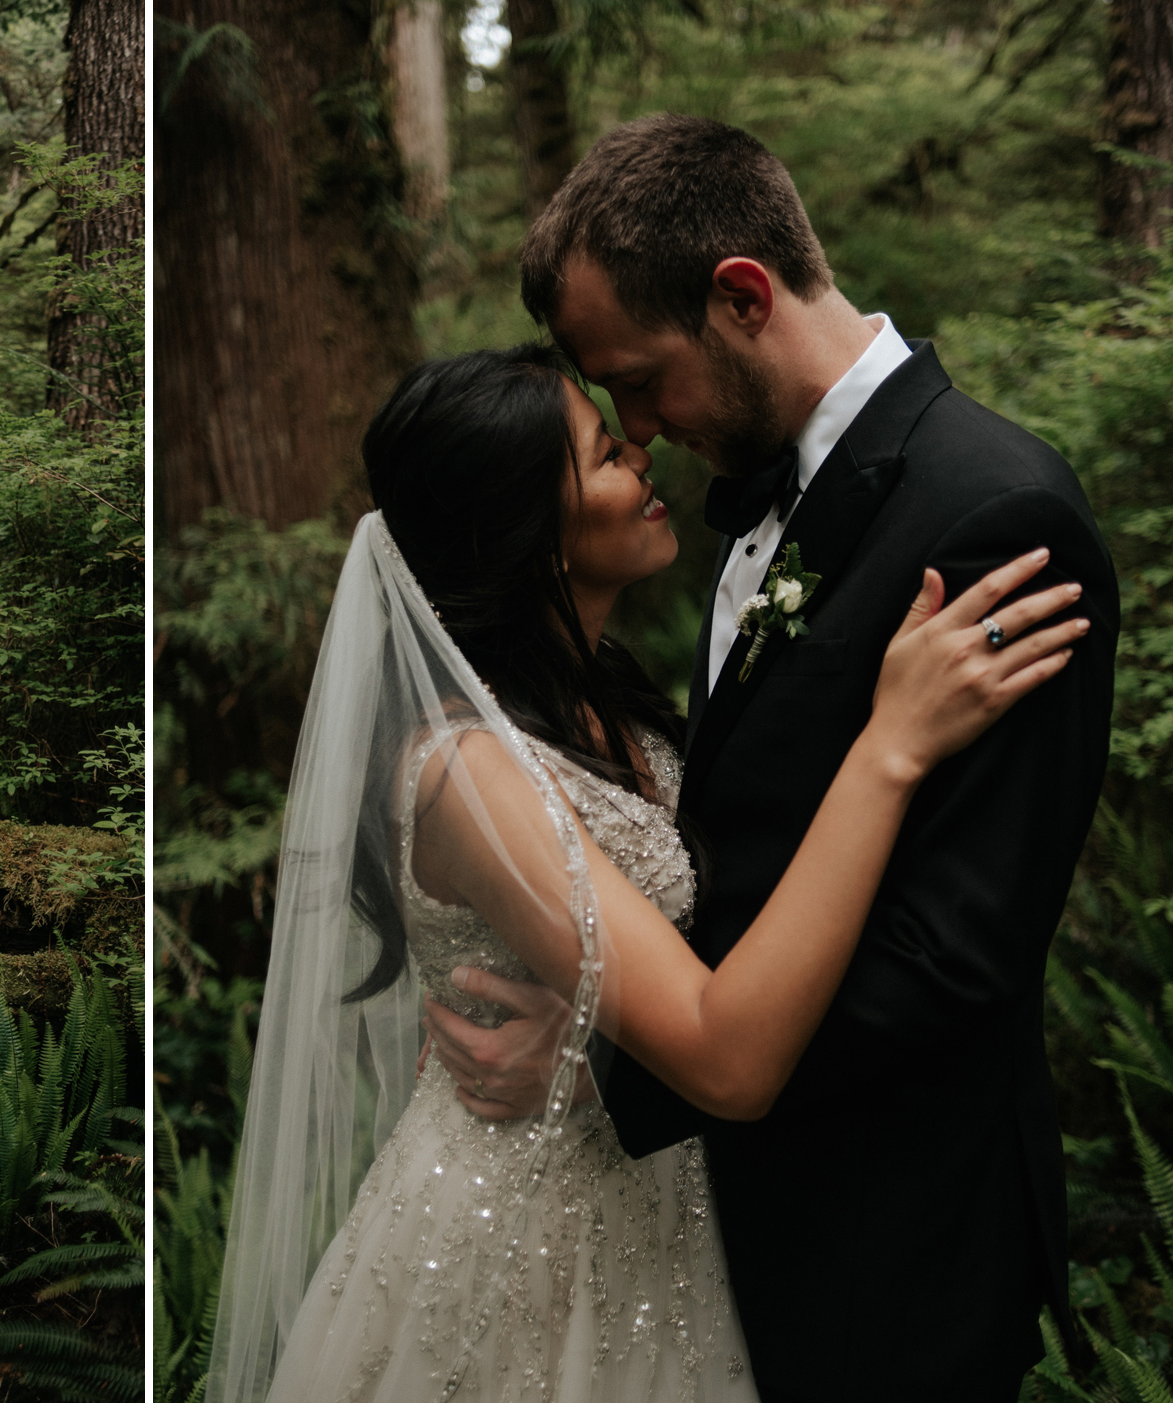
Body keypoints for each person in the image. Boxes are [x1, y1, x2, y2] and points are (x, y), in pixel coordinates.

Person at [206, 345, 1092, 1403]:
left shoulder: (605, 703)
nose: (637, 448)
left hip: (663, 1210)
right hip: (522, 1251)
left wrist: (588, 1064)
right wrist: (889, 747)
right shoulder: (468, 775)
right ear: (528, 534)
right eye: (597, 450)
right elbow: (722, 1060)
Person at [422, 114, 1119, 1401]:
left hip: (890, 1249)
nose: (630, 426)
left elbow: (951, 957)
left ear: (739, 297)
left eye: (636, 378)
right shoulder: (756, 489)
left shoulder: (991, 513)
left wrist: (609, 1069)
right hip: (727, 1241)